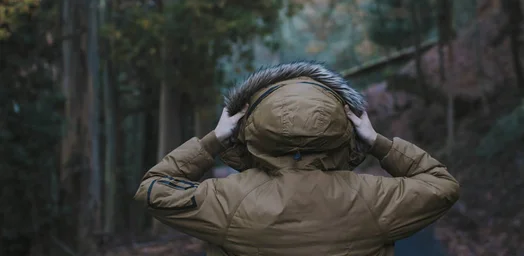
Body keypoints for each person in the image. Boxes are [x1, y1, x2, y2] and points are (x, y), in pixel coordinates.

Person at [134, 62, 460, 256]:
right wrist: (377, 142)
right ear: (345, 129)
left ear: (251, 130)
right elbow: (442, 186)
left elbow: (154, 188)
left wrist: (215, 140)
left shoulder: (229, 200)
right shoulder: (371, 198)